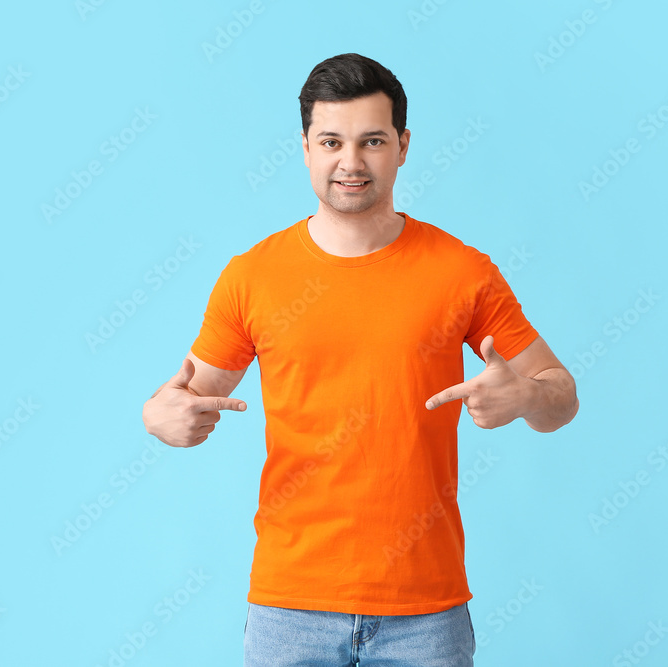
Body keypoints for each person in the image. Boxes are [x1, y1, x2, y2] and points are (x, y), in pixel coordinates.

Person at [142, 52, 579, 667]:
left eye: (372, 140)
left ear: (402, 146)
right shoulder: (252, 277)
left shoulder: (462, 272)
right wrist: (159, 419)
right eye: (332, 141)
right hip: (288, 606)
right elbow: (186, 398)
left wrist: (528, 396)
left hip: (425, 611)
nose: (351, 162)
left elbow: (561, 395)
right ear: (305, 148)